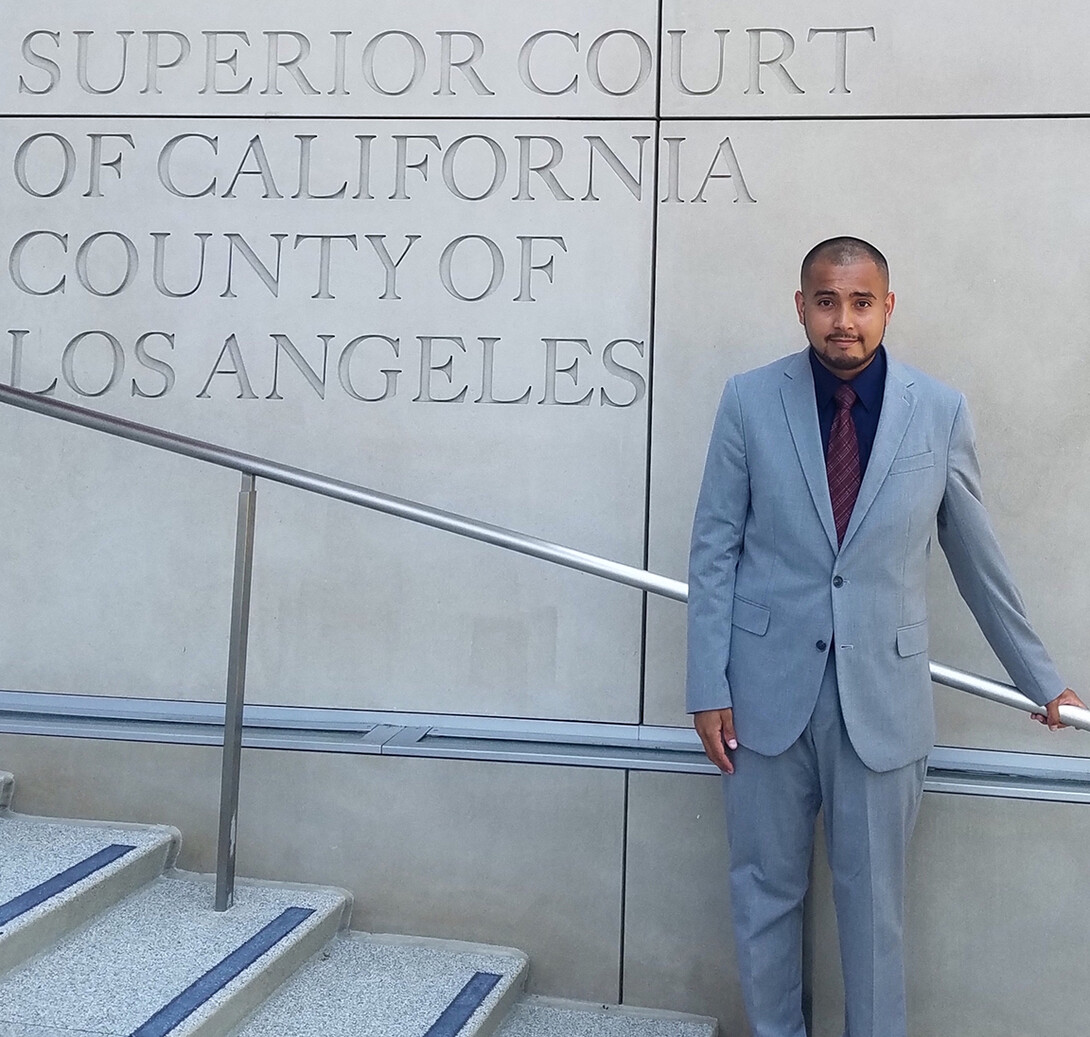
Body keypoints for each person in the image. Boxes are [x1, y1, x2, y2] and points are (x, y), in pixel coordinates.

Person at [686, 236, 1084, 1037]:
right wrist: (708, 686)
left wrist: (1041, 679)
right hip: (762, 700)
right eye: (826, 301)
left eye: (861, 302)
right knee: (764, 892)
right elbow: (714, 548)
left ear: (888, 306)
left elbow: (976, 560)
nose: (844, 321)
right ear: (801, 305)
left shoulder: (938, 411)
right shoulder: (748, 400)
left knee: (874, 913)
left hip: (884, 705)